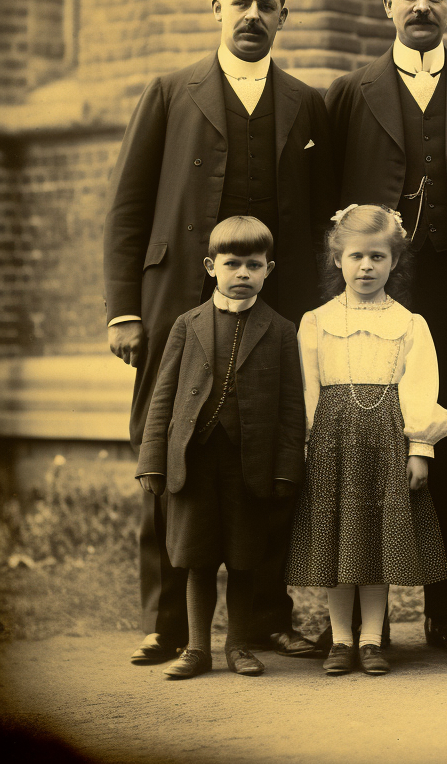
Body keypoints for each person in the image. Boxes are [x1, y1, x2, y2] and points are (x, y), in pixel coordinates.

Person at [104, 0, 333, 664]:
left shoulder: (306, 103)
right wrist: (123, 311)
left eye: (267, 5)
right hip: (176, 309)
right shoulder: (171, 93)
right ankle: (167, 623)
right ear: (216, 8)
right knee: (169, 459)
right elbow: (129, 206)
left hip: (275, 319)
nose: (252, 16)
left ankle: (263, 617)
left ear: (284, 18)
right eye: (240, 3)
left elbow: (320, 215)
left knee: (266, 462)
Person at [325, 0, 447, 654]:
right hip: (376, 299)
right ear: (386, 4)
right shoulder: (351, 92)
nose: (422, 6)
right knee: (367, 449)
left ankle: (445, 613)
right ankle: (362, 624)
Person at [285, 205, 447, 676]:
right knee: (340, 540)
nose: (366, 267)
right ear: (337, 258)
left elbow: (421, 386)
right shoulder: (316, 321)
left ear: (394, 261)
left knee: (376, 541)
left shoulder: (409, 323)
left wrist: (420, 450)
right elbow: (305, 388)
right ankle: (340, 640)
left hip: (386, 443)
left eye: (378, 257)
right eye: (356, 256)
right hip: (332, 444)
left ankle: (373, 639)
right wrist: (304, 446)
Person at [135, 217, 306, 679]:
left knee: (245, 557)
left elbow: (293, 407)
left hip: (249, 465)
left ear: (270, 269)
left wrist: (288, 468)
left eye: (254, 264)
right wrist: (153, 459)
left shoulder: (281, 329)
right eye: (233, 264)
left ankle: (238, 645)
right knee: (197, 556)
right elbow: (162, 398)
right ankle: (196, 648)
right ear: (212, 266)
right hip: (193, 461)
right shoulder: (186, 325)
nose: (243, 273)